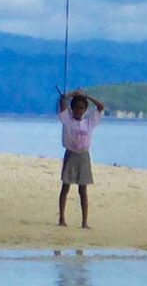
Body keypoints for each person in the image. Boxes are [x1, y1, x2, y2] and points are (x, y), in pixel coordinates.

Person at [57, 90, 104, 228]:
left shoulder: (89, 121)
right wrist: (73, 94)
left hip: (84, 155)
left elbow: (101, 106)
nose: (79, 110)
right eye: (77, 107)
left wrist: (87, 96)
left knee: (83, 190)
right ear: (73, 108)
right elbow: (62, 102)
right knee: (66, 187)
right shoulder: (67, 119)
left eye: (82, 108)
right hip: (71, 154)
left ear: (85, 109)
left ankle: (84, 222)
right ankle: (62, 218)